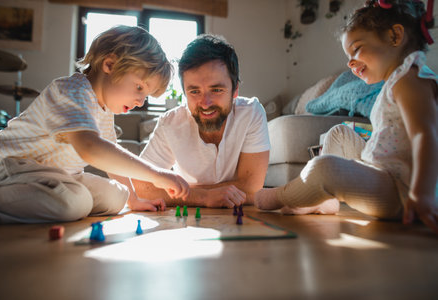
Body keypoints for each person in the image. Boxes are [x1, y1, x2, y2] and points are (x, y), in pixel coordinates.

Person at [255, 0, 438, 234]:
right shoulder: (400, 79)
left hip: (402, 192)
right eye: (348, 55)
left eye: (357, 48)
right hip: (388, 173)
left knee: (324, 167)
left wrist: (421, 194)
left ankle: (281, 194)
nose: (350, 62)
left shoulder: (410, 81)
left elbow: (425, 135)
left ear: (395, 36)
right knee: (339, 133)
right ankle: (322, 200)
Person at [0, 25, 189, 224]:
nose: (140, 101)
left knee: (118, 196)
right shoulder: (71, 91)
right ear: (109, 65)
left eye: (145, 95)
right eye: (139, 87)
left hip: (56, 175)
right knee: (75, 203)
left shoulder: (103, 109)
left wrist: (134, 200)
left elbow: (112, 156)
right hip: (7, 169)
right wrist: (156, 175)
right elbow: (90, 148)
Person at [132, 34, 270, 208]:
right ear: (184, 93)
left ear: (235, 90)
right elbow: (141, 186)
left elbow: (251, 187)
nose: (205, 103)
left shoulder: (252, 113)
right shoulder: (170, 123)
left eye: (217, 90)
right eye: (194, 92)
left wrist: (187, 193)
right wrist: (203, 197)